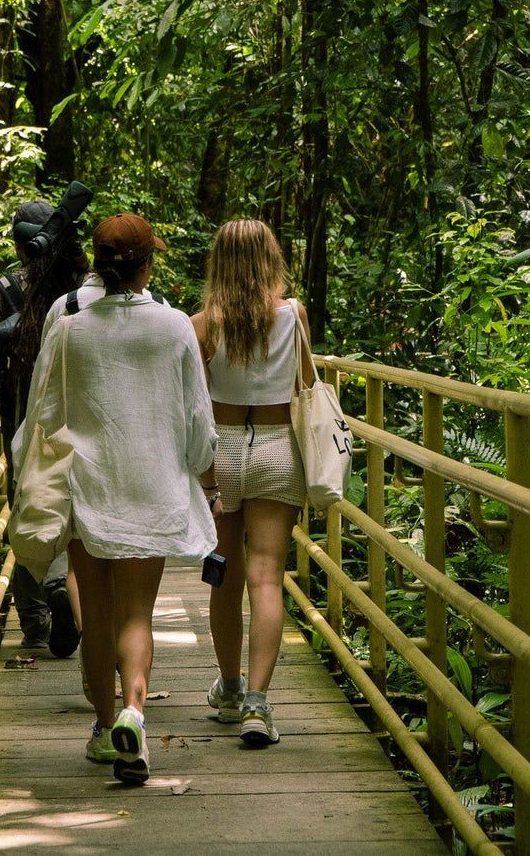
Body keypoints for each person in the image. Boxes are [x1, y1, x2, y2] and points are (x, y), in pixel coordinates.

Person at [15, 213, 219, 783]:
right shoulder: (176, 326)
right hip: (150, 488)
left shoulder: (69, 327)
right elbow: (198, 425)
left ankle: (106, 730)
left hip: (87, 489)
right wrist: (204, 472)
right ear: (146, 265)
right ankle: (135, 713)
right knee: (137, 613)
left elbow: (42, 416)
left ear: (100, 265)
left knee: (99, 611)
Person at [190, 219, 314, 746]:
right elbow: (306, 386)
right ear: (271, 260)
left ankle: (231, 689)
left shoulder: (199, 326)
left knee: (224, 574)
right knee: (267, 576)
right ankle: (259, 706)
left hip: (221, 451)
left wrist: (207, 479)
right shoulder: (294, 317)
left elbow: (194, 408)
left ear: (218, 262)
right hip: (277, 447)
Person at [0, 200, 86, 658]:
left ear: (21, 246)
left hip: (25, 419)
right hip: (82, 418)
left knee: (29, 506)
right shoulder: (83, 286)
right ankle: (75, 593)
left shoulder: (1, 292)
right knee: (77, 509)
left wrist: (12, 404)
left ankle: (36, 622)